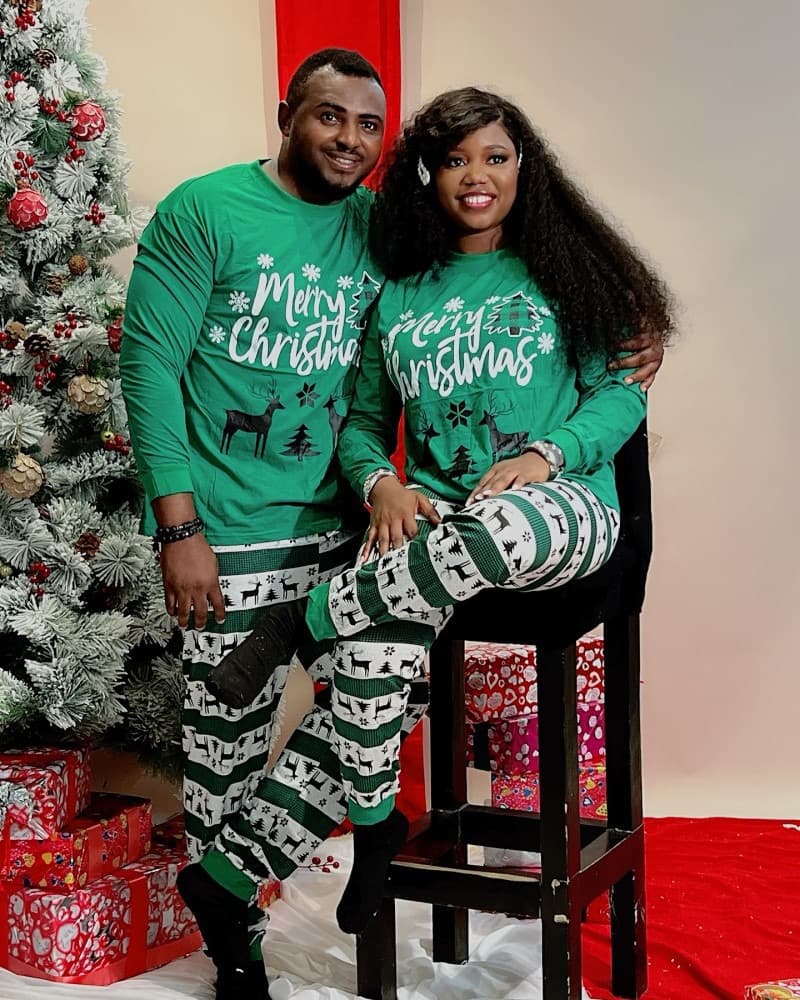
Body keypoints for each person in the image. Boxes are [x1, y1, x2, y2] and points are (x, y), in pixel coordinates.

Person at [205, 86, 675, 937]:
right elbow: (360, 424)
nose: (476, 176)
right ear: (428, 175)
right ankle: (296, 854)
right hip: (438, 528)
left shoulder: (566, 273)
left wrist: (546, 456)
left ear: (525, 168)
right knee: (368, 659)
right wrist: (380, 485)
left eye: (496, 157)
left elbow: (620, 395)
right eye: (455, 160)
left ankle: (308, 616)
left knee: (489, 532)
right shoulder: (399, 293)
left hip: (562, 508)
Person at [120, 48, 398, 1000]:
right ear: (287, 115)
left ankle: (245, 872)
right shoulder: (205, 209)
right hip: (226, 532)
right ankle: (234, 952)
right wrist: (178, 529)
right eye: (330, 116)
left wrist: (622, 330)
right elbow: (149, 367)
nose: (350, 140)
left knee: (381, 705)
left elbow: (489, 254)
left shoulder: (377, 228)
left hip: (340, 528)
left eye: (368, 125)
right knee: (225, 744)